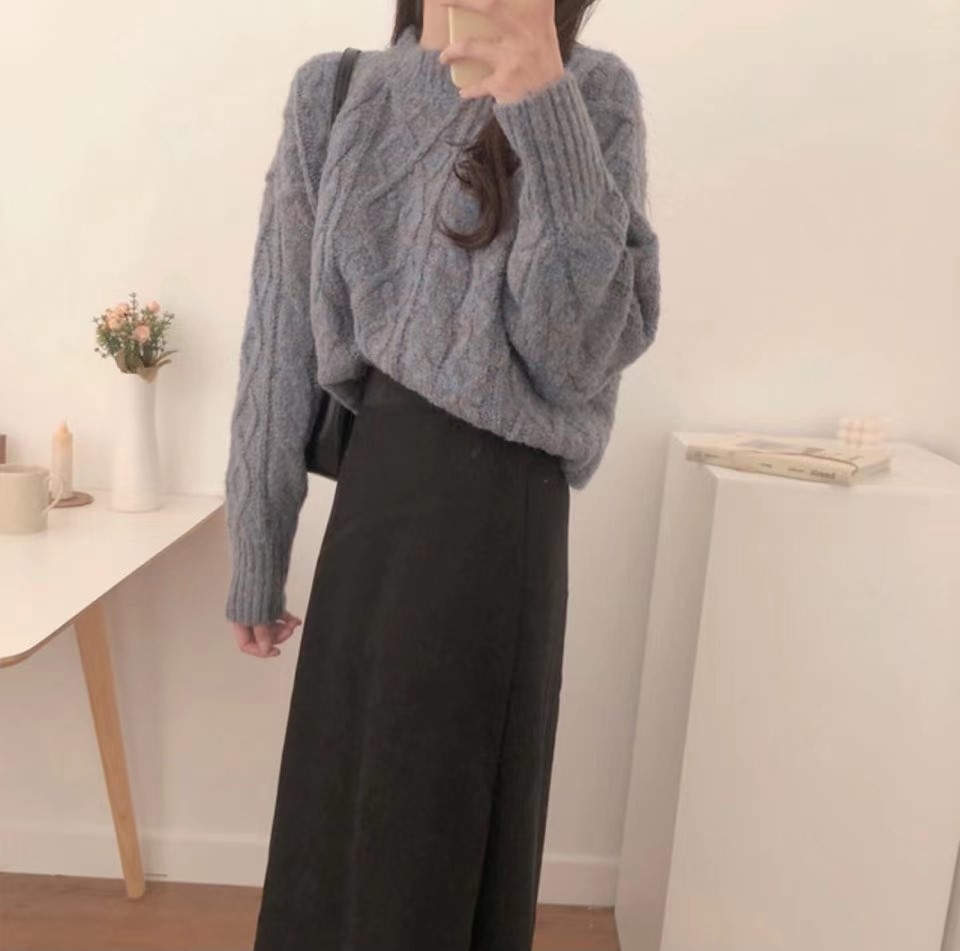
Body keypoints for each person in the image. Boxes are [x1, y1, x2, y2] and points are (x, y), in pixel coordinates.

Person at [223, 0, 661, 947]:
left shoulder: (592, 91)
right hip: (377, 493)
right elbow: (278, 330)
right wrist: (258, 539)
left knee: (441, 837)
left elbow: (577, 354)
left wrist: (543, 105)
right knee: (335, 820)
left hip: (503, 515)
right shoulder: (335, 90)